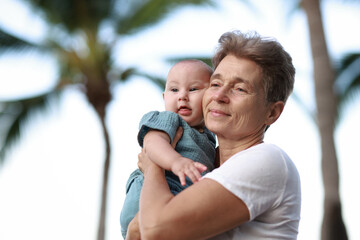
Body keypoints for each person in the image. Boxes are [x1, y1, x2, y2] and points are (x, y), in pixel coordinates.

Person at [129, 30, 301, 240]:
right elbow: (137, 230)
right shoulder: (205, 164)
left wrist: (154, 163)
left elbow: (155, 230)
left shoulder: (267, 159)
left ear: (272, 112)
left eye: (239, 89)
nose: (219, 96)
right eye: (216, 84)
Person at [120, 59, 217, 239]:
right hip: (146, 197)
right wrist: (175, 161)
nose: (182, 96)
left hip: (174, 202)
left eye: (193, 89)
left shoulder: (210, 136)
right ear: (164, 97)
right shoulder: (170, 119)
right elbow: (153, 142)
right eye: (174, 90)